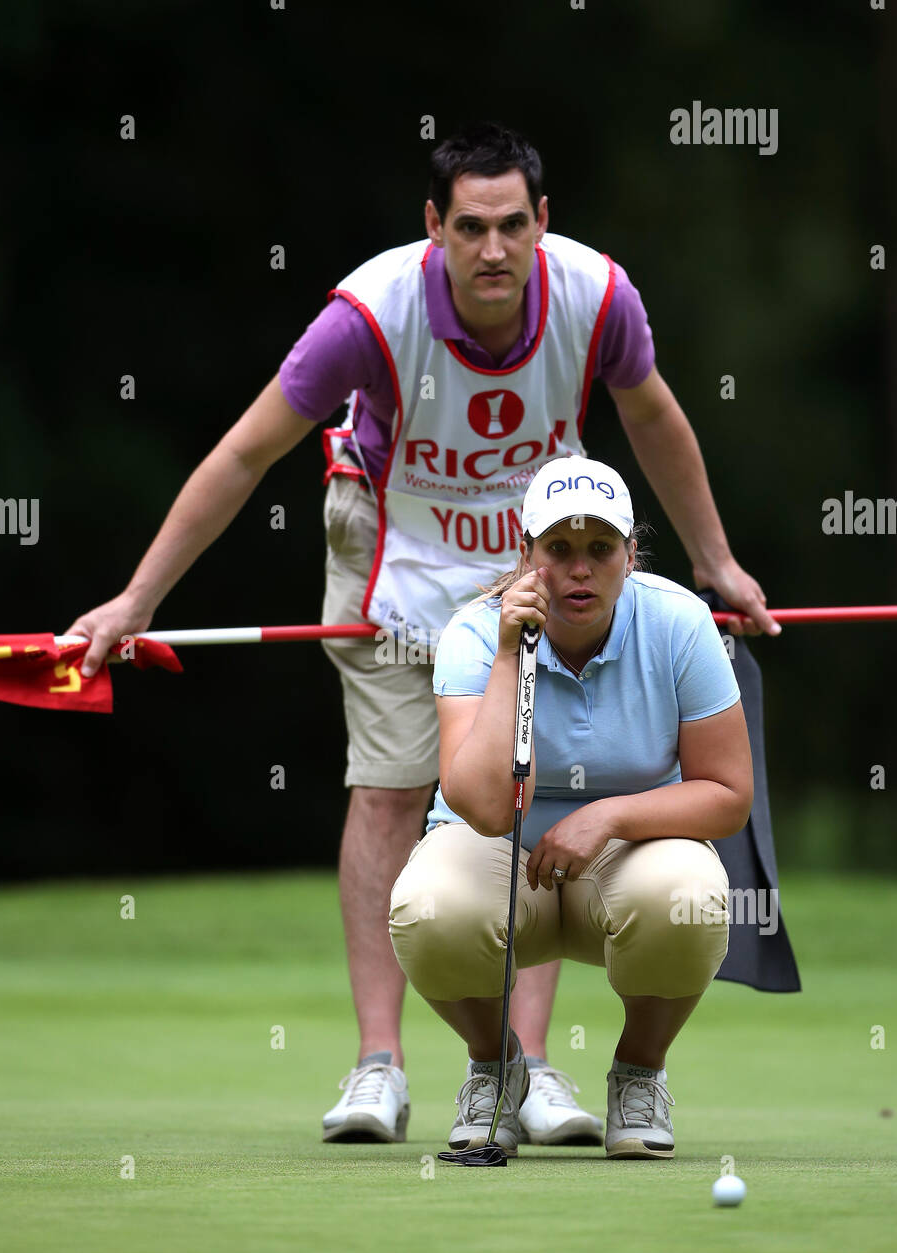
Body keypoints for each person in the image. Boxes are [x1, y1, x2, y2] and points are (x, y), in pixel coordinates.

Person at [66, 121, 784, 1148]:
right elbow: (242, 454)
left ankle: (527, 1071)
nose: (491, 249)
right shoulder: (365, 315)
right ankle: (378, 1065)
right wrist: (136, 601)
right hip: (395, 536)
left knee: (531, 783)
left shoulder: (596, 296)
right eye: (467, 227)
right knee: (394, 785)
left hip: (547, 539)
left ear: (542, 222)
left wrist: (712, 561)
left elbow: (654, 416)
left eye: (509, 225)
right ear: (432, 228)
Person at [388, 456, 753, 1157]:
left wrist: (610, 816)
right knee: (429, 911)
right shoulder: (473, 633)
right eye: (557, 550)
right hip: (496, 853)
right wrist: (506, 656)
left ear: (629, 555)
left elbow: (726, 796)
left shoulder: (679, 622)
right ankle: (496, 1068)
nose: (578, 570)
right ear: (525, 556)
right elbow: (484, 809)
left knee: (684, 899)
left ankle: (638, 1074)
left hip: (626, 860)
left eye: (599, 550)